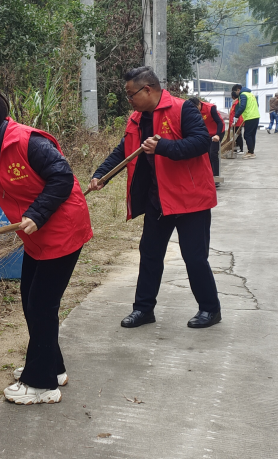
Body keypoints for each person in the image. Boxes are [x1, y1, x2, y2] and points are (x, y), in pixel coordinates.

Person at [0, 86, 93, 406]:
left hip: (62, 231)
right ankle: (51, 367)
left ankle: (41, 384)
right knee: (31, 301)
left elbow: (62, 177)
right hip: (35, 237)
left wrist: (37, 212)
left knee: (41, 305)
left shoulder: (29, 142)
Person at [91, 67, 221, 330]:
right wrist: (102, 174)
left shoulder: (182, 109)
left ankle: (210, 309)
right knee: (149, 255)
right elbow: (122, 150)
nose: (129, 100)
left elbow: (201, 143)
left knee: (194, 257)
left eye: (131, 95)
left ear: (147, 89)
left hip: (190, 201)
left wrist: (163, 147)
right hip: (157, 200)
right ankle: (143, 309)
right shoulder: (137, 119)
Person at [187, 95, 223, 186]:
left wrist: (217, 135)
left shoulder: (210, 108)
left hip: (217, 132)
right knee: (204, 154)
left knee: (213, 153)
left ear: (199, 103)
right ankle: (208, 176)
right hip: (206, 134)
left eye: (196, 108)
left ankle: (216, 178)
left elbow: (219, 122)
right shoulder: (192, 111)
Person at [232, 84, 259, 158]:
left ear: (238, 90)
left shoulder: (243, 95)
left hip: (250, 117)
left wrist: (236, 116)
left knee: (247, 135)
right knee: (252, 135)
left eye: (235, 91)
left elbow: (242, 106)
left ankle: (250, 152)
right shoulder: (250, 94)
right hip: (256, 116)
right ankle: (251, 151)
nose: (236, 94)